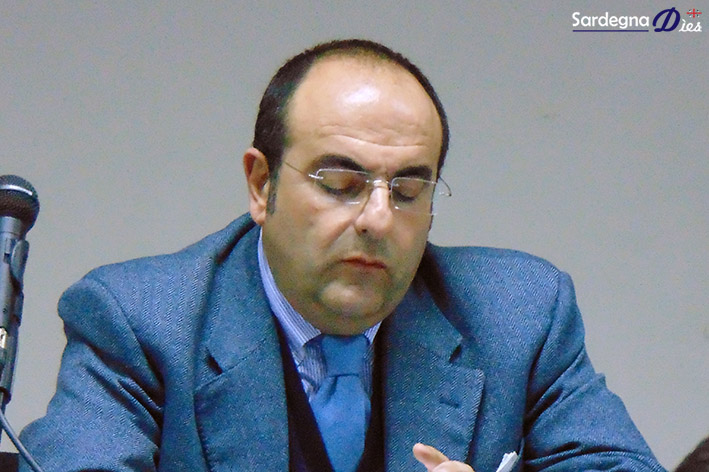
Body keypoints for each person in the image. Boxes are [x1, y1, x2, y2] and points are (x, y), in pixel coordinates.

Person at [19, 39, 665, 472]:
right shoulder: (141, 322)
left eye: (407, 190)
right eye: (339, 183)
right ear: (260, 185)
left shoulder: (518, 316)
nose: (378, 219)